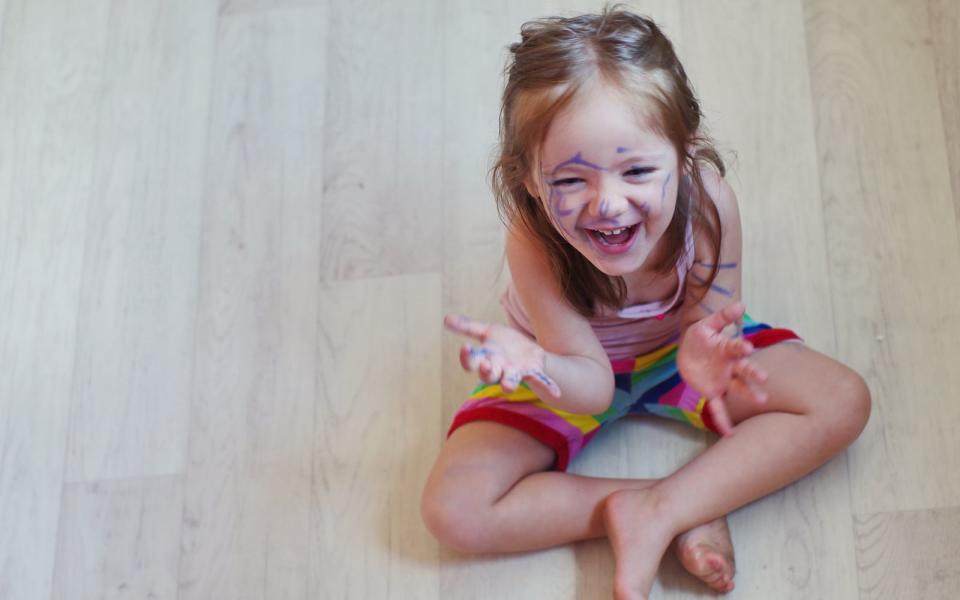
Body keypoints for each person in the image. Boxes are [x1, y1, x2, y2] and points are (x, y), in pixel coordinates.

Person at [420, 5, 871, 599]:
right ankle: (655, 504)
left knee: (843, 401)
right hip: (566, 371)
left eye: (636, 170)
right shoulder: (532, 240)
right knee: (453, 509)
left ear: (685, 153)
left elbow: (712, 312)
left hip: (677, 358)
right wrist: (535, 366)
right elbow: (590, 388)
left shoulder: (710, 205)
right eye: (570, 180)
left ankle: (662, 507)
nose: (608, 204)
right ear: (529, 179)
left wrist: (703, 353)